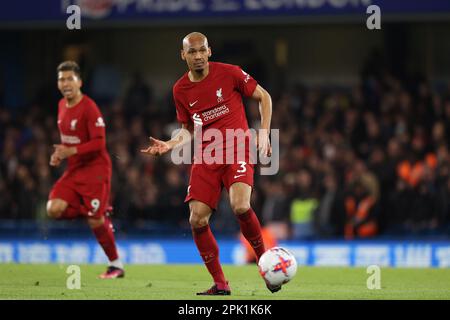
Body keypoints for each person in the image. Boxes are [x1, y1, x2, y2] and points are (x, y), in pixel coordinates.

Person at [141, 32, 276, 295]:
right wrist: (170, 145)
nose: (198, 56)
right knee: (197, 220)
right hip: (206, 157)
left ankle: (266, 266)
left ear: (210, 51)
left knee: (240, 205)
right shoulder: (180, 89)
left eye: (202, 50)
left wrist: (264, 132)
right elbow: (187, 128)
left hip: (237, 147)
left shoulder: (230, 73)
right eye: (192, 52)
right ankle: (221, 284)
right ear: (183, 55)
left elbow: (265, 97)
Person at [47, 61, 124, 279]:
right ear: (58, 83)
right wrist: (59, 154)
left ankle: (116, 265)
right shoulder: (62, 105)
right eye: (62, 79)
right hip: (75, 170)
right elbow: (68, 143)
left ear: (79, 82)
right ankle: (97, 212)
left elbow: (99, 143)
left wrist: (69, 151)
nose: (66, 83)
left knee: (94, 220)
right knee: (53, 209)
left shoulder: (89, 107)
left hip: (96, 169)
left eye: (70, 78)